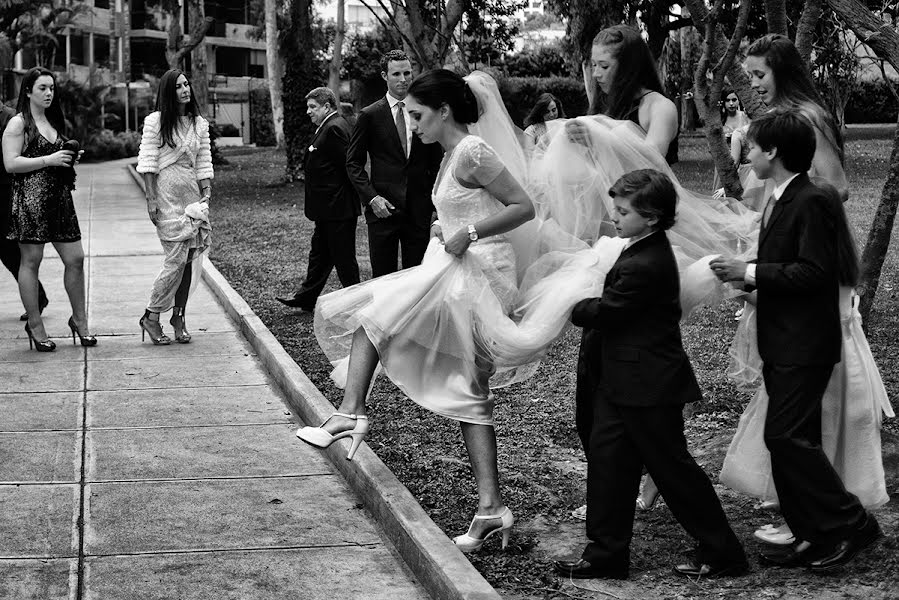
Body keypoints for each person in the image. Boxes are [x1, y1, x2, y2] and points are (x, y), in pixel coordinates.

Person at [297, 69, 540, 552]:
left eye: (417, 115)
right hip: (451, 268)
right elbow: (462, 208)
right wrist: (441, 224)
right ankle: (489, 506)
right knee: (388, 327)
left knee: (382, 319)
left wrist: (468, 233)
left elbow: (523, 207)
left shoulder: (472, 150)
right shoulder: (452, 153)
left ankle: (352, 413)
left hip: (479, 277)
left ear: (444, 110)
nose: (412, 125)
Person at [710, 111, 882, 573]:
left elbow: (815, 273)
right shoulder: (780, 199)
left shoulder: (812, 201)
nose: (746, 153)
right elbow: (786, 269)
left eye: (752, 146)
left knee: (786, 437)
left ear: (774, 153)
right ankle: (814, 531)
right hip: (784, 341)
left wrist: (748, 271)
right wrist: (747, 280)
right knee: (791, 437)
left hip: (806, 344)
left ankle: (851, 522)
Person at [554, 169, 747, 580]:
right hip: (621, 379)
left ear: (653, 217)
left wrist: (574, 304)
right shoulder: (639, 246)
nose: (616, 217)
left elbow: (609, 312)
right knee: (609, 464)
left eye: (624, 212)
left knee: (673, 470)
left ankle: (723, 551)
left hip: (649, 385)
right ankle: (606, 552)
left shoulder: (647, 262)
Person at [569, 24, 682, 520]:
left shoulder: (659, 107)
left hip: (648, 247)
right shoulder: (602, 112)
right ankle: (619, 476)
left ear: (629, 63)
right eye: (592, 64)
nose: (596, 72)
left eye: (605, 65)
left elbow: (649, 172)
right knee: (601, 370)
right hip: (609, 242)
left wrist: (598, 135)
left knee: (645, 365)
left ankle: (653, 473)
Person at [1, 67, 95, 351]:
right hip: (30, 203)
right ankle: (36, 324)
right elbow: (10, 163)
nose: (49, 93)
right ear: (28, 90)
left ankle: (80, 321)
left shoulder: (53, 121)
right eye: (42, 88)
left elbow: (54, 160)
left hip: (59, 201)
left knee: (76, 258)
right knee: (30, 262)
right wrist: (49, 159)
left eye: (52, 88)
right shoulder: (19, 124)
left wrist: (67, 160)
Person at [345, 50, 443, 278]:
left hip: (419, 210)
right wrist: (371, 198)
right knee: (382, 278)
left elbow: (436, 164)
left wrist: (437, 205)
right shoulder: (369, 115)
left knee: (418, 277)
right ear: (384, 76)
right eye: (396, 73)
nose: (403, 79)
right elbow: (353, 163)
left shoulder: (424, 112)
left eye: (407, 73)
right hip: (383, 210)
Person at [137, 69, 213, 345]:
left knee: (189, 261)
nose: (185, 89)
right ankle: (152, 315)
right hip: (166, 194)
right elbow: (147, 160)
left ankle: (178, 316)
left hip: (192, 195)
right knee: (175, 261)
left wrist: (206, 192)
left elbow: (203, 159)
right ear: (169, 91)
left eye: (187, 84)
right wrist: (150, 198)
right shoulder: (156, 122)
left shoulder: (199, 123)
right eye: (179, 86)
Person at [275, 87, 360, 311]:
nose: (308, 112)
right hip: (327, 209)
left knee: (344, 260)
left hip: (338, 209)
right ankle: (305, 298)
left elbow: (349, 167)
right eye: (308, 107)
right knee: (320, 255)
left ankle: (359, 303)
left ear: (327, 107)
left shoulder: (334, 128)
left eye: (313, 107)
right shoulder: (328, 126)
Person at [744, 34, 848, 202]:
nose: (754, 84)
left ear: (783, 74)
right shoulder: (772, 118)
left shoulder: (809, 119)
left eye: (760, 75)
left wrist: (793, 211)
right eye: (751, 76)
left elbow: (839, 188)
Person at [1, 102, 48, 321]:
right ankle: (37, 297)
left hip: (8, 192)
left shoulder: (11, 118)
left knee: (10, 251)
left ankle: (36, 298)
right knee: (8, 251)